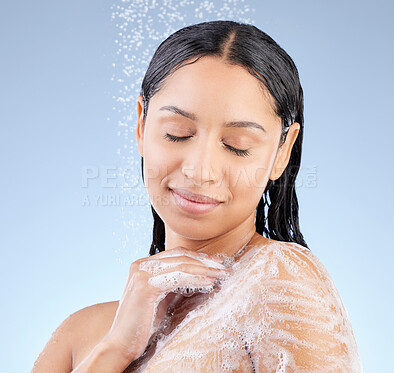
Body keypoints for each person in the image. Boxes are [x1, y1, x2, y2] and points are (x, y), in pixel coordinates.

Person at [32, 20, 362, 372]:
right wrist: (114, 349)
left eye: (237, 146)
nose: (200, 170)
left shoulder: (278, 285)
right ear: (142, 124)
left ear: (282, 151)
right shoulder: (80, 335)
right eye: (178, 133)